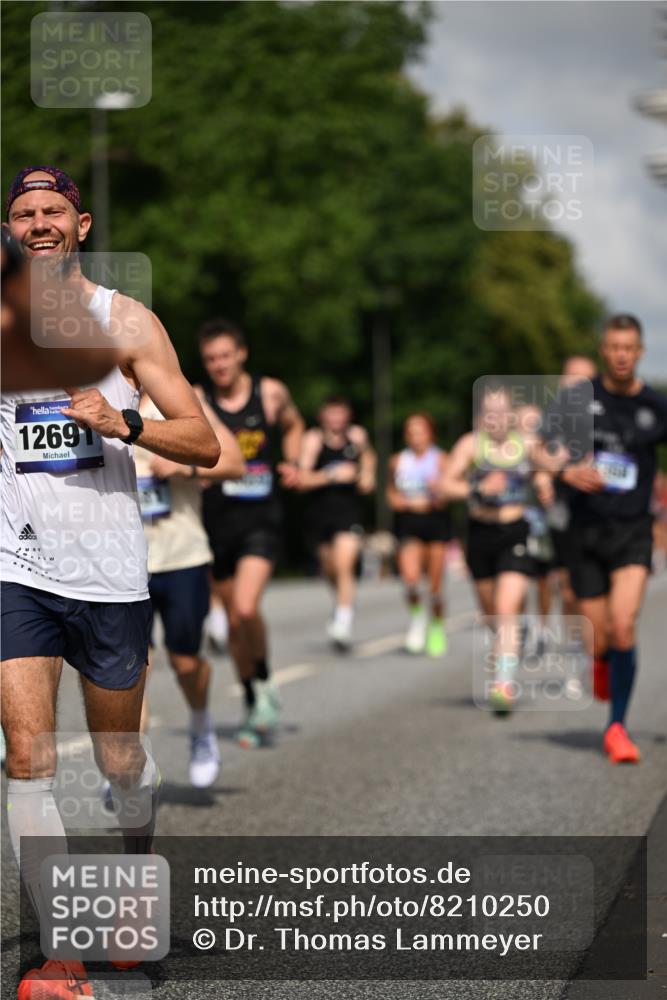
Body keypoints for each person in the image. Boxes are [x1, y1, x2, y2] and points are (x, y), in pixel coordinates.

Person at [1, 166, 220, 999]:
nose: (39, 223)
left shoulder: (127, 322)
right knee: (26, 755)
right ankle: (60, 953)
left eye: (52, 210)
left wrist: (123, 421)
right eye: (24, 213)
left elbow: (204, 443)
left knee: (119, 760)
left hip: (110, 574)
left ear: (81, 224)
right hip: (17, 567)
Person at [542, 314, 667, 764]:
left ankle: (617, 727)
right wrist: (564, 470)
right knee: (598, 639)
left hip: (632, 531)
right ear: (603, 350)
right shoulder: (579, 399)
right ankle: (600, 661)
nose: (621, 355)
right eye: (613, 347)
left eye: (628, 348)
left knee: (623, 625)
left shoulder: (655, 405)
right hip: (584, 532)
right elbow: (538, 445)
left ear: (640, 352)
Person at [198, 317, 304, 748]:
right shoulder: (198, 398)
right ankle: (253, 701)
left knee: (245, 608)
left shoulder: (270, 392)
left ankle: (264, 678)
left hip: (261, 517)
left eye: (226, 355)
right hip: (217, 521)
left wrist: (293, 462)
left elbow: (295, 425)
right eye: (211, 359)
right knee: (233, 626)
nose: (220, 365)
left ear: (241, 354)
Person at [134, 389, 244, 787]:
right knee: (131, 669)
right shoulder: (97, 399)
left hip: (183, 556)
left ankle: (201, 726)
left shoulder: (178, 397)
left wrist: (187, 468)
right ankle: (130, 762)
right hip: (124, 562)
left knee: (185, 663)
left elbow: (234, 463)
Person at [441, 387, 547, 713]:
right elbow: (445, 484)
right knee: (491, 614)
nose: (496, 419)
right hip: (480, 533)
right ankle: (512, 640)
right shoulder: (471, 445)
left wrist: (544, 481)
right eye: (489, 412)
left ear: (511, 416)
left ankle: (503, 684)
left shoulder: (526, 444)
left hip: (515, 530)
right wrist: (478, 486)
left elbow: (548, 467)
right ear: (480, 417)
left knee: (505, 608)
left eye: (501, 412)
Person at [297, 396, 376, 649]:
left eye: (341, 413)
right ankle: (340, 605)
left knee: (345, 564)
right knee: (330, 568)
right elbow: (302, 479)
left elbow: (369, 459)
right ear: (323, 416)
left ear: (348, 415)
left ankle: (343, 621)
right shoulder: (313, 439)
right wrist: (331, 475)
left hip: (349, 512)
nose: (336, 419)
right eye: (331, 413)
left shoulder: (357, 436)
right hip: (321, 512)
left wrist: (367, 475)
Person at [386, 412, 451, 656]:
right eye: (411, 432)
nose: (416, 437)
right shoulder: (397, 461)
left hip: (435, 524)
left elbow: (449, 492)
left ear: (430, 434)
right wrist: (397, 501)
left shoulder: (441, 459)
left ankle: (437, 626)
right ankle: (417, 618)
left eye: (420, 432)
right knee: (411, 580)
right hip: (409, 524)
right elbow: (391, 491)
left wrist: (438, 493)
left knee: (434, 588)